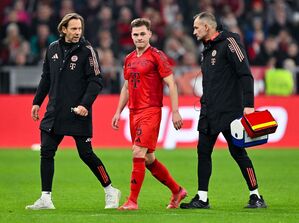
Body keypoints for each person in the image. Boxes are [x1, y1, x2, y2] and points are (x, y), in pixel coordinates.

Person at [26, 13, 120, 210]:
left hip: (78, 111)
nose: (78, 32)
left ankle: (110, 190)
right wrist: (37, 102)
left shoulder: (87, 51)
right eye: (74, 29)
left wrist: (85, 105)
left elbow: (96, 81)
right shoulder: (52, 48)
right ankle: (45, 198)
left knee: (86, 154)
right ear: (64, 29)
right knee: (46, 153)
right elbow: (46, 78)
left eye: (80, 29)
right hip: (55, 111)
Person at [180, 12, 267, 209]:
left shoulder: (230, 42)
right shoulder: (208, 49)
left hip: (230, 111)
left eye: (196, 28)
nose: (194, 32)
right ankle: (202, 198)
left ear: (207, 28)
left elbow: (245, 74)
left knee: (238, 152)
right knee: (203, 151)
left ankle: (256, 196)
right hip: (209, 110)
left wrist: (249, 105)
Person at [111, 18, 187, 210]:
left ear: (150, 34)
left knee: (137, 152)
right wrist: (118, 111)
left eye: (143, 34)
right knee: (148, 158)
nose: (139, 37)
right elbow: (126, 87)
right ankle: (177, 191)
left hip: (151, 110)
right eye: (136, 34)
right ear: (131, 36)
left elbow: (171, 83)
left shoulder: (157, 56)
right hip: (133, 112)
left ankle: (132, 201)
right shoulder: (128, 58)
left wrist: (176, 111)